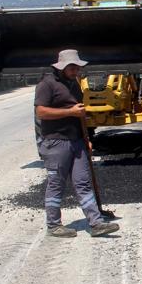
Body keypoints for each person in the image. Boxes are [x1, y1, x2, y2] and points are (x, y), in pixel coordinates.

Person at [34, 49, 119, 238]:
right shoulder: (47, 85)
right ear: (62, 67)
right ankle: (54, 225)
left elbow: (80, 114)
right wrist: (69, 112)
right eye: (71, 67)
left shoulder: (74, 84)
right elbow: (41, 112)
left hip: (77, 142)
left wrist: (86, 139)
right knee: (56, 183)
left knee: (83, 182)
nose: (75, 71)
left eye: (77, 67)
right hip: (55, 142)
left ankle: (96, 223)